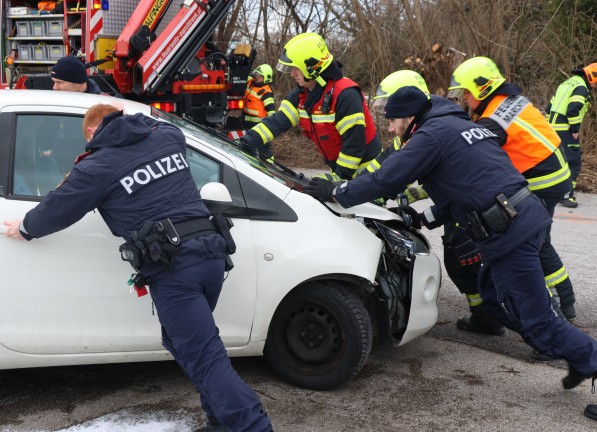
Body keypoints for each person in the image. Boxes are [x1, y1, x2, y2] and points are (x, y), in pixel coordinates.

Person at [302, 86, 597, 424]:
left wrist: (336, 191)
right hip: (518, 220)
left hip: (511, 233)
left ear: (408, 117)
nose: (391, 129)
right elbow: (465, 191)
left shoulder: (431, 135)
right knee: (493, 301)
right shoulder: (458, 126)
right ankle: (576, 356)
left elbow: (384, 180)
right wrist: (422, 218)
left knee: (541, 321)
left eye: (392, 122)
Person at [3, 104, 273, 432]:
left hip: (176, 269)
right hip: (212, 256)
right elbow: (163, 124)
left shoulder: (97, 166)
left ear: (91, 133)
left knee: (204, 355)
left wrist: (26, 227)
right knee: (181, 342)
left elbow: (59, 207)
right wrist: (131, 118)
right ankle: (220, 419)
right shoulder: (166, 138)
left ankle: (254, 427)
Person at [365, 69, 504, 335]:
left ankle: (503, 315)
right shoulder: (413, 131)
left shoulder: (430, 133)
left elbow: (395, 176)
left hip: (473, 204)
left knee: (468, 257)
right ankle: (486, 314)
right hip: (457, 203)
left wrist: (358, 193)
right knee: (459, 259)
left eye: (391, 110)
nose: (389, 122)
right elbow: (382, 168)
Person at [447, 56, 577, 321]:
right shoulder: (510, 100)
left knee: (535, 243)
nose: (465, 100)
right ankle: (566, 300)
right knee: (541, 241)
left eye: (467, 94)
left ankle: (561, 304)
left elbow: (476, 156)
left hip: (542, 178)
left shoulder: (492, 120)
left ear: (481, 88)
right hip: (556, 170)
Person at [239, 32, 382, 180]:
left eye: (296, 68)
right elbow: (278, 121)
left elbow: (354, 144)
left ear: (311, 67)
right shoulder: (301, 94)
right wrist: (249, 139)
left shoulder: (345, 94)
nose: (292, 74)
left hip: (368, 173)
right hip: (344, 170)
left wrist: (338, 179)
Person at [546, 62, 597, 208]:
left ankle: (551, 192)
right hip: (565, 129)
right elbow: (573, 110)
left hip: (551, 127)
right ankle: (566, 196)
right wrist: (574, 130)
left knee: (556, 161)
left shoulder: (567, 83)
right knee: (573, 162)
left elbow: (549, 107)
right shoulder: (581, 88)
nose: (595, 87)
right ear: (592, 77)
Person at [243, 64, 276, 129]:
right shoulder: (250, 81)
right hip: (245, 120)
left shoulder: (266, 92)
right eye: (257, 74)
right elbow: (243, 75)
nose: (257, 77)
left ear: (266, 78)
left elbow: (271, 110)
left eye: (260, 76)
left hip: (258, 124)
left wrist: (271, 124)